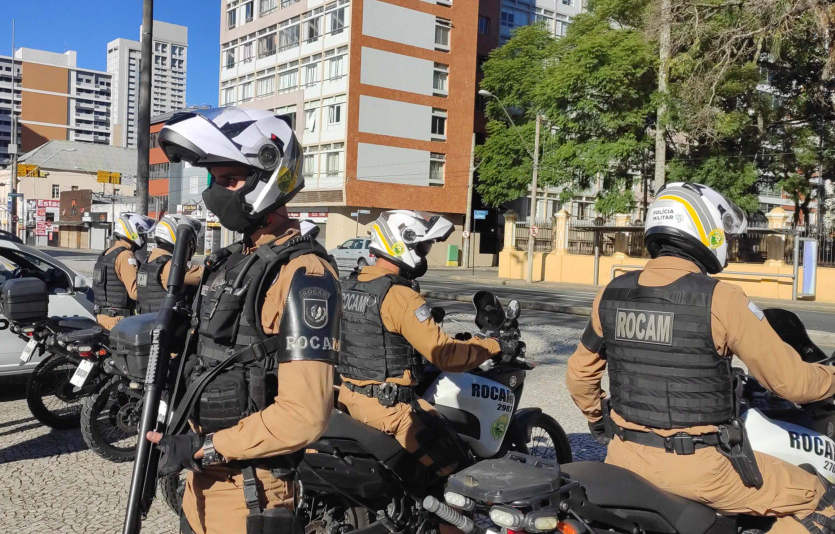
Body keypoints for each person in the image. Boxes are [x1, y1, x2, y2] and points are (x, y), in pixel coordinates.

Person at [566, 182, 835, 534]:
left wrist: (600, 422)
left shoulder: (611, 294)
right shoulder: (721, 299)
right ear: (703, 228)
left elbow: (578, 377)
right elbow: (793, 383)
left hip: (623, 458)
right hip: (702, 470)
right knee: (820, 498)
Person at [147, 106, 341, 534]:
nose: (217, 193)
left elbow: (305, 414)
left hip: (250, 489)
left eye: (230, 180)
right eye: (214, 180)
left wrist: (207, 446)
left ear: (269, 179)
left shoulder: (304, 274)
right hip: (201, 483)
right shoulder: (233, 261)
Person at [337, 210, 519, 478]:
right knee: (462, 481)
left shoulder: (348, 286)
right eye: (422, 247)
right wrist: (493, 346)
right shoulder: (399, 295)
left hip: (348, 399)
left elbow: (377, 340)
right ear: (402, 243)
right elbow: (446, 356)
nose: (424, 254)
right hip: (391, 412)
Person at [92, 213, 152, 330]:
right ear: (131, 231)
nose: (143, 237)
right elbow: (135, 292)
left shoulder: (106, 253)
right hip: (117, 320)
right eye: (141, 233)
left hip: (103, 318)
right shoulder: (125, 255)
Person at [136, 214, 204, 314]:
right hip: (170, 326)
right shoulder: (171, 265)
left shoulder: (149, 261)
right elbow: (204, 275)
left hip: (149, 322)